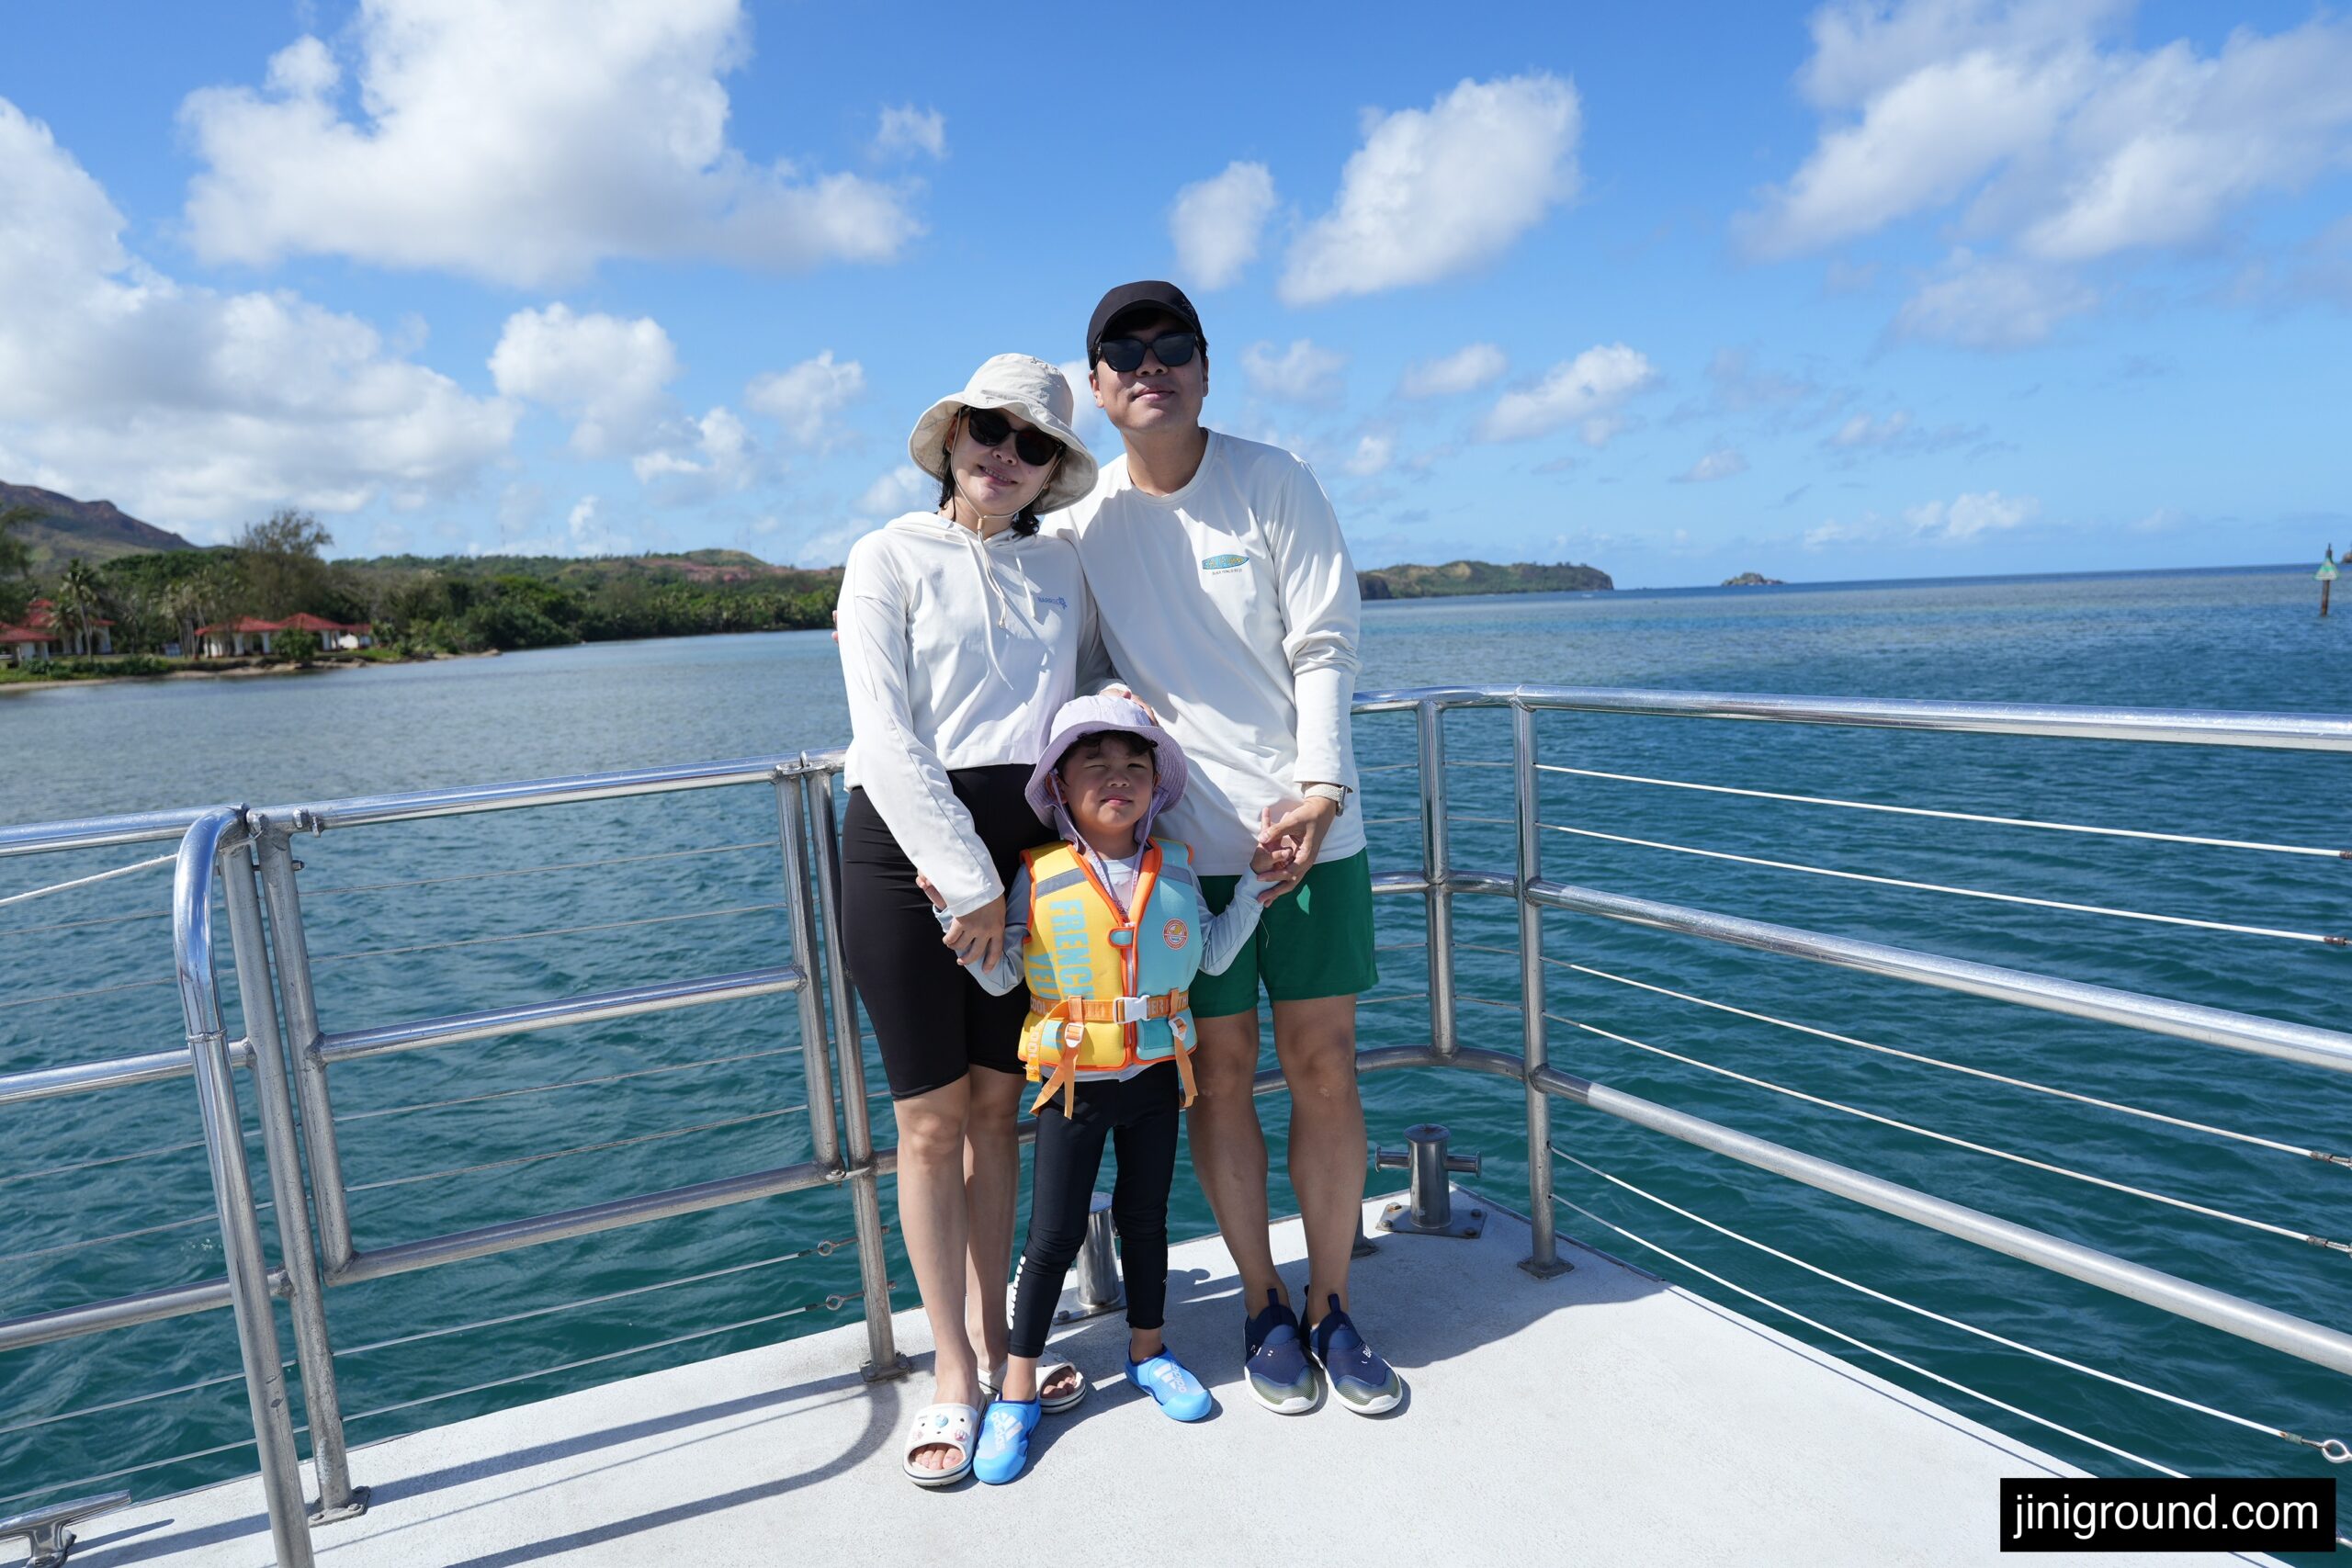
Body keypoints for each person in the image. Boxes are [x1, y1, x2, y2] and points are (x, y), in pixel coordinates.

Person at [1057, 281, 1402, 1416]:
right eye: (1125, 351)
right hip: (1177, 857)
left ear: (1205, 370)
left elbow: (1325, 641)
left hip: (1310, 835)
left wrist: (1319, 788)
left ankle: (1333, 1304)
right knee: (1219, 1084)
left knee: (1324, 1066)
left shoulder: (1272, 480)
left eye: (1172, 347)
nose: (1149, 365)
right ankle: (1261, 1302)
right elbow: (1069, 684)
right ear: (1097, 385)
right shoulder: (1087, 524)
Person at [834, 354, 1100, 1487]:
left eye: (1031, 443)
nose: (1005, 453)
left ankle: (1004, 1352)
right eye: (987, 429)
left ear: (1049, 473)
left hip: (1027, 858)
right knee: (932, 1126)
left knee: (1002, 1116)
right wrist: (966, 879)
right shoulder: (885, 556)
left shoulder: (1064, 576)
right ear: (950, 437)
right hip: (905, 856)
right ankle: (950, 1368)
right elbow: (885, 736)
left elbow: (1085, 715)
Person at [918, 694, 1286, 1483]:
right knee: (1050, 1236)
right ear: (1059, 787)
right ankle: (1015, 1384)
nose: (1118, 779)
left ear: (1158, 784)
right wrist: (953, 915)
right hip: (1072, 1083)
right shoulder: (1037, 876)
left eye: (1134, 765)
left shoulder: (1179, 868)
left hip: (1156, 1073)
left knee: (1146, 1218)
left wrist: (1254, 889)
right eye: (1096, 765)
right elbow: (1006, 973)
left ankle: (1150, 1350)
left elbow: (1215, 958)